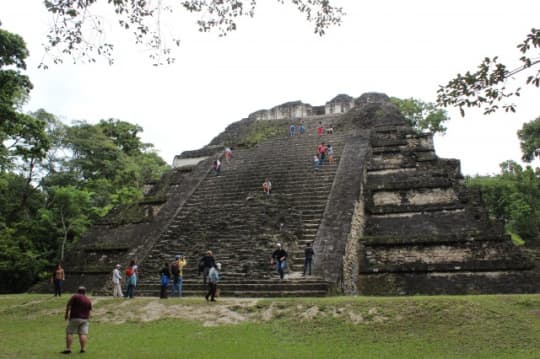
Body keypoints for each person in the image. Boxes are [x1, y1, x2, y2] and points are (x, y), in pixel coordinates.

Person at [61, 286, 92, 354]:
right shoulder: (88, 299)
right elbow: (90, 310)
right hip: (85, 319)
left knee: (70, 332)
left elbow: (68, 305)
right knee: (83, 334)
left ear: (78, 291)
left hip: (75, 318)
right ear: (85, 292)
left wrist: (66, 314)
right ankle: (83, 348)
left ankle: (68, 349)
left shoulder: (75, 296)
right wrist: (88, 318)